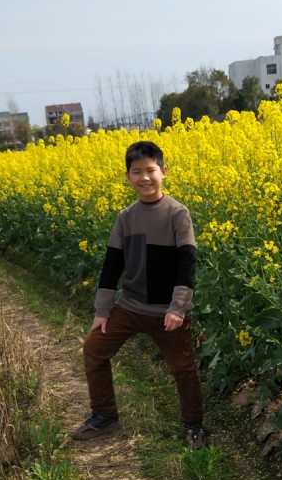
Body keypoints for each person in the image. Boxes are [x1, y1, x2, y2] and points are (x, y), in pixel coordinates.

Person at [73, 140, 205, 449]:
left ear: (164, 172)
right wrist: (102, 310)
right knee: (93, 349)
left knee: (183, 368)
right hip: (129, 307)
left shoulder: (177, 213)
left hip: (167, 312)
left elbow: (187, 264)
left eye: (150, 170)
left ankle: (193, 424)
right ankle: (104, 415)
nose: (144, 178)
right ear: (128, 176)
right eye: (136, 172)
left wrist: (178, 308)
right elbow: (112, 265)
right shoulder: (126, 217)